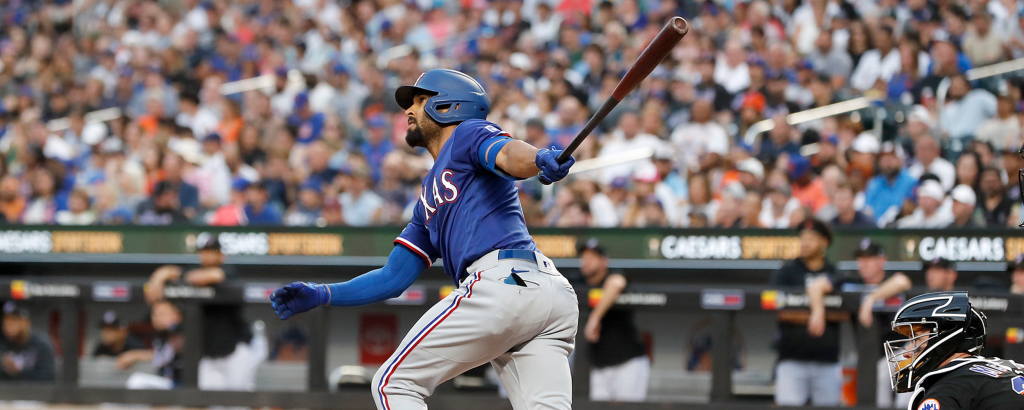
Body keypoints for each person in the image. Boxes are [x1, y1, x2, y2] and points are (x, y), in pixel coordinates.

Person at [269, 69, 578, 410]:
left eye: (420, 100)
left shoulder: (467, 133)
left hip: (503, 283)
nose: (408, 111)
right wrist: (324, 293)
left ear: (449, 106)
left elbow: (506, 154)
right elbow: (393, 277)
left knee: (394, 384)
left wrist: (537, 159)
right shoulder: (426, 201)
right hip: (550, 293)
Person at [143, 234, 267, 391]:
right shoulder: (193, 273)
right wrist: (157, 280)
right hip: (209, 354)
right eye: (204, 251)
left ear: (222, 255)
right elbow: (169, 270)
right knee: (203, 399)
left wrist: (182, 277)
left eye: (212, 251)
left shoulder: (229, 272)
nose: (207, 255)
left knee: (239, 401)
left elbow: (214, 275)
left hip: (237, 350)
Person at [807, 239, 913, 408]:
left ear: (881, 260)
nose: (863, 263)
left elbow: (903, 282)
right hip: (871, 355)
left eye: (869, 259)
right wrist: (818, 310)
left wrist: (871, 298)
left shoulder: (890, 279)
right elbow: (816, 285)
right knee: (878, 377)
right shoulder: (851, 280)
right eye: (861, 259)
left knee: (901, 378)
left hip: (902, 349)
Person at [885, 291, 1024, 409]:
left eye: (916, 338)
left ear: (945, 336)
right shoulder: (1010, 366)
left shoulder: (948, 388)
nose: (908, 351)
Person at [768, 219, 841, 406]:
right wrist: (815, 315)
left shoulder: (834, 272)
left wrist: (816, 313)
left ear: (824, 242)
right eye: (803, 238)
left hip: (827, 361)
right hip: (791, 359)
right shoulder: (787, 272)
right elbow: (774, 307)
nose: (805, 243)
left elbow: (845, 312)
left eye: (811, 238)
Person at [578, 239, 649, 402]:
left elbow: (617, 283)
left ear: (604, 261)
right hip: (598, 365)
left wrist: (595, 318)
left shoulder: (613, 275)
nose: (586, 262)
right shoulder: (579, 281)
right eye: (584, 257)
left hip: (628, 363)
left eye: (592, 257)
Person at [0, 302, 55, 381]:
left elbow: (48, 378)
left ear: (26, 322)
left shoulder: (41, 345)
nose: (7, 327)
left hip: (37, 393)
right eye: (5, 323)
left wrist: (18, 372)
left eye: (12, 322)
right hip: (8, 393)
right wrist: (6, 370)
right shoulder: (3, 347)